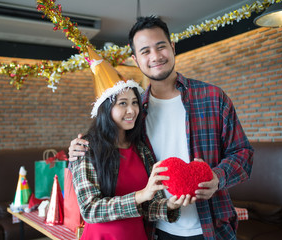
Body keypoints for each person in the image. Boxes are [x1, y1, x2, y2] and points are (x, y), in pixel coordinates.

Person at [69, 16, 254, 240]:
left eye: (161, 47)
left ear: (172, 47)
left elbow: (243, 154)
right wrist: (78, 150)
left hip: (214, 226)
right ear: (135, 60)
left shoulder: (213, 98)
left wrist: (217, 177)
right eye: (145, 51)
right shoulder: (137, 116)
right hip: (158, 230)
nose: (155, 56)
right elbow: (110, 150)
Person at [70, 46, 193, 240]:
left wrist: (170, 205)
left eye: (134, 102)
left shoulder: (141, 149)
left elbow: (145, 208)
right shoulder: (86, 148)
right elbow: (90, 209)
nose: (132, 110)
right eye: (122, 103)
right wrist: (141, 194)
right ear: (106, 109)